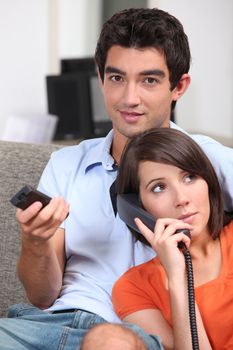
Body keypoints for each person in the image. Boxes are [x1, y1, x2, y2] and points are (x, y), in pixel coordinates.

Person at [0, 7, 233, 350]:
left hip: (133, 334)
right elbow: (41, 297)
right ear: (100, 77)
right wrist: (35, 241)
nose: (129, 99)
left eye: (149, 80)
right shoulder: (66, 164)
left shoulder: (205, 161)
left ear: (178, 86)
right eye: (117, 78)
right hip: (47, 325)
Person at [112, 127, 233, 350]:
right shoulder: (133, 288)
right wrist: (178, 278)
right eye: (159, 187)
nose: (182, 199)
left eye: (189, 177)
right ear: (137, 208)